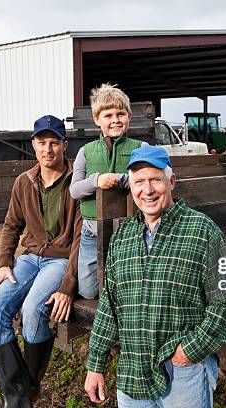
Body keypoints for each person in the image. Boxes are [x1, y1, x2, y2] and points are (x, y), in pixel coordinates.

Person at [84, 144, 226, 407]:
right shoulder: (122, 238)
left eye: (155, 180)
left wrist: (188, 352)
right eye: (139, 182)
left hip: (183, 372)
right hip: (132, 372)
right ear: (131, 187)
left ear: (171, 182)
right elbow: (109, 306)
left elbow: (225, 302)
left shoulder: (202, 231)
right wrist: (95, 364)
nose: (147, 190)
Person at [0, 115, 82, 407]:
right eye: (41, 142)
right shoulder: (24, 181)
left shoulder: (77, 182)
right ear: (33, 145)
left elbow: (80, 238)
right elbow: (11, 225)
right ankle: (19, 396)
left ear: (64, 145)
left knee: (32, 310)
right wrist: (4, 262)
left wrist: (68, 284)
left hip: (60, 260)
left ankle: (26, 390)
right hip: (29, 258)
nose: (47, 149)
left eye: (54, 142)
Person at [69, 83, 142, 300]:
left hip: (130, 229)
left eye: (121, 114)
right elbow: (75, 190)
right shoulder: (86, 151)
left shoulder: (140, 147)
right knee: (88, 291)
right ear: (96, 119)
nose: (115, 120)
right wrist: (96, 180)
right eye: (108, 115)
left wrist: (121, 179)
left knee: (126, 288)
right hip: (92, 230)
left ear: (129, 116)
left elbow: (158, 178)